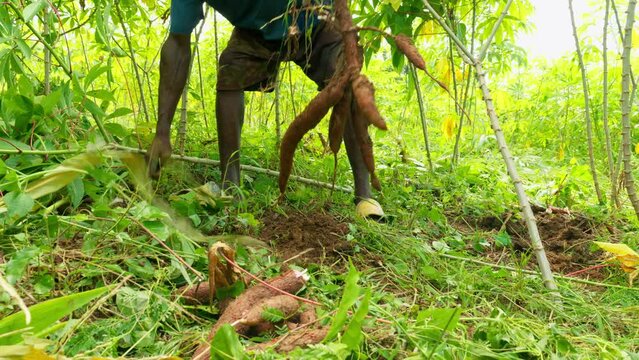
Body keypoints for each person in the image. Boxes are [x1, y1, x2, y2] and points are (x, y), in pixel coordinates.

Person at [146, 0, 384, 218]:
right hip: (255, 32)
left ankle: (365, 197)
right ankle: (231, 188)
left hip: (316, 20)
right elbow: (177, 44)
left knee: (347, 82)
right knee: (230, 72)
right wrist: (162, 131)